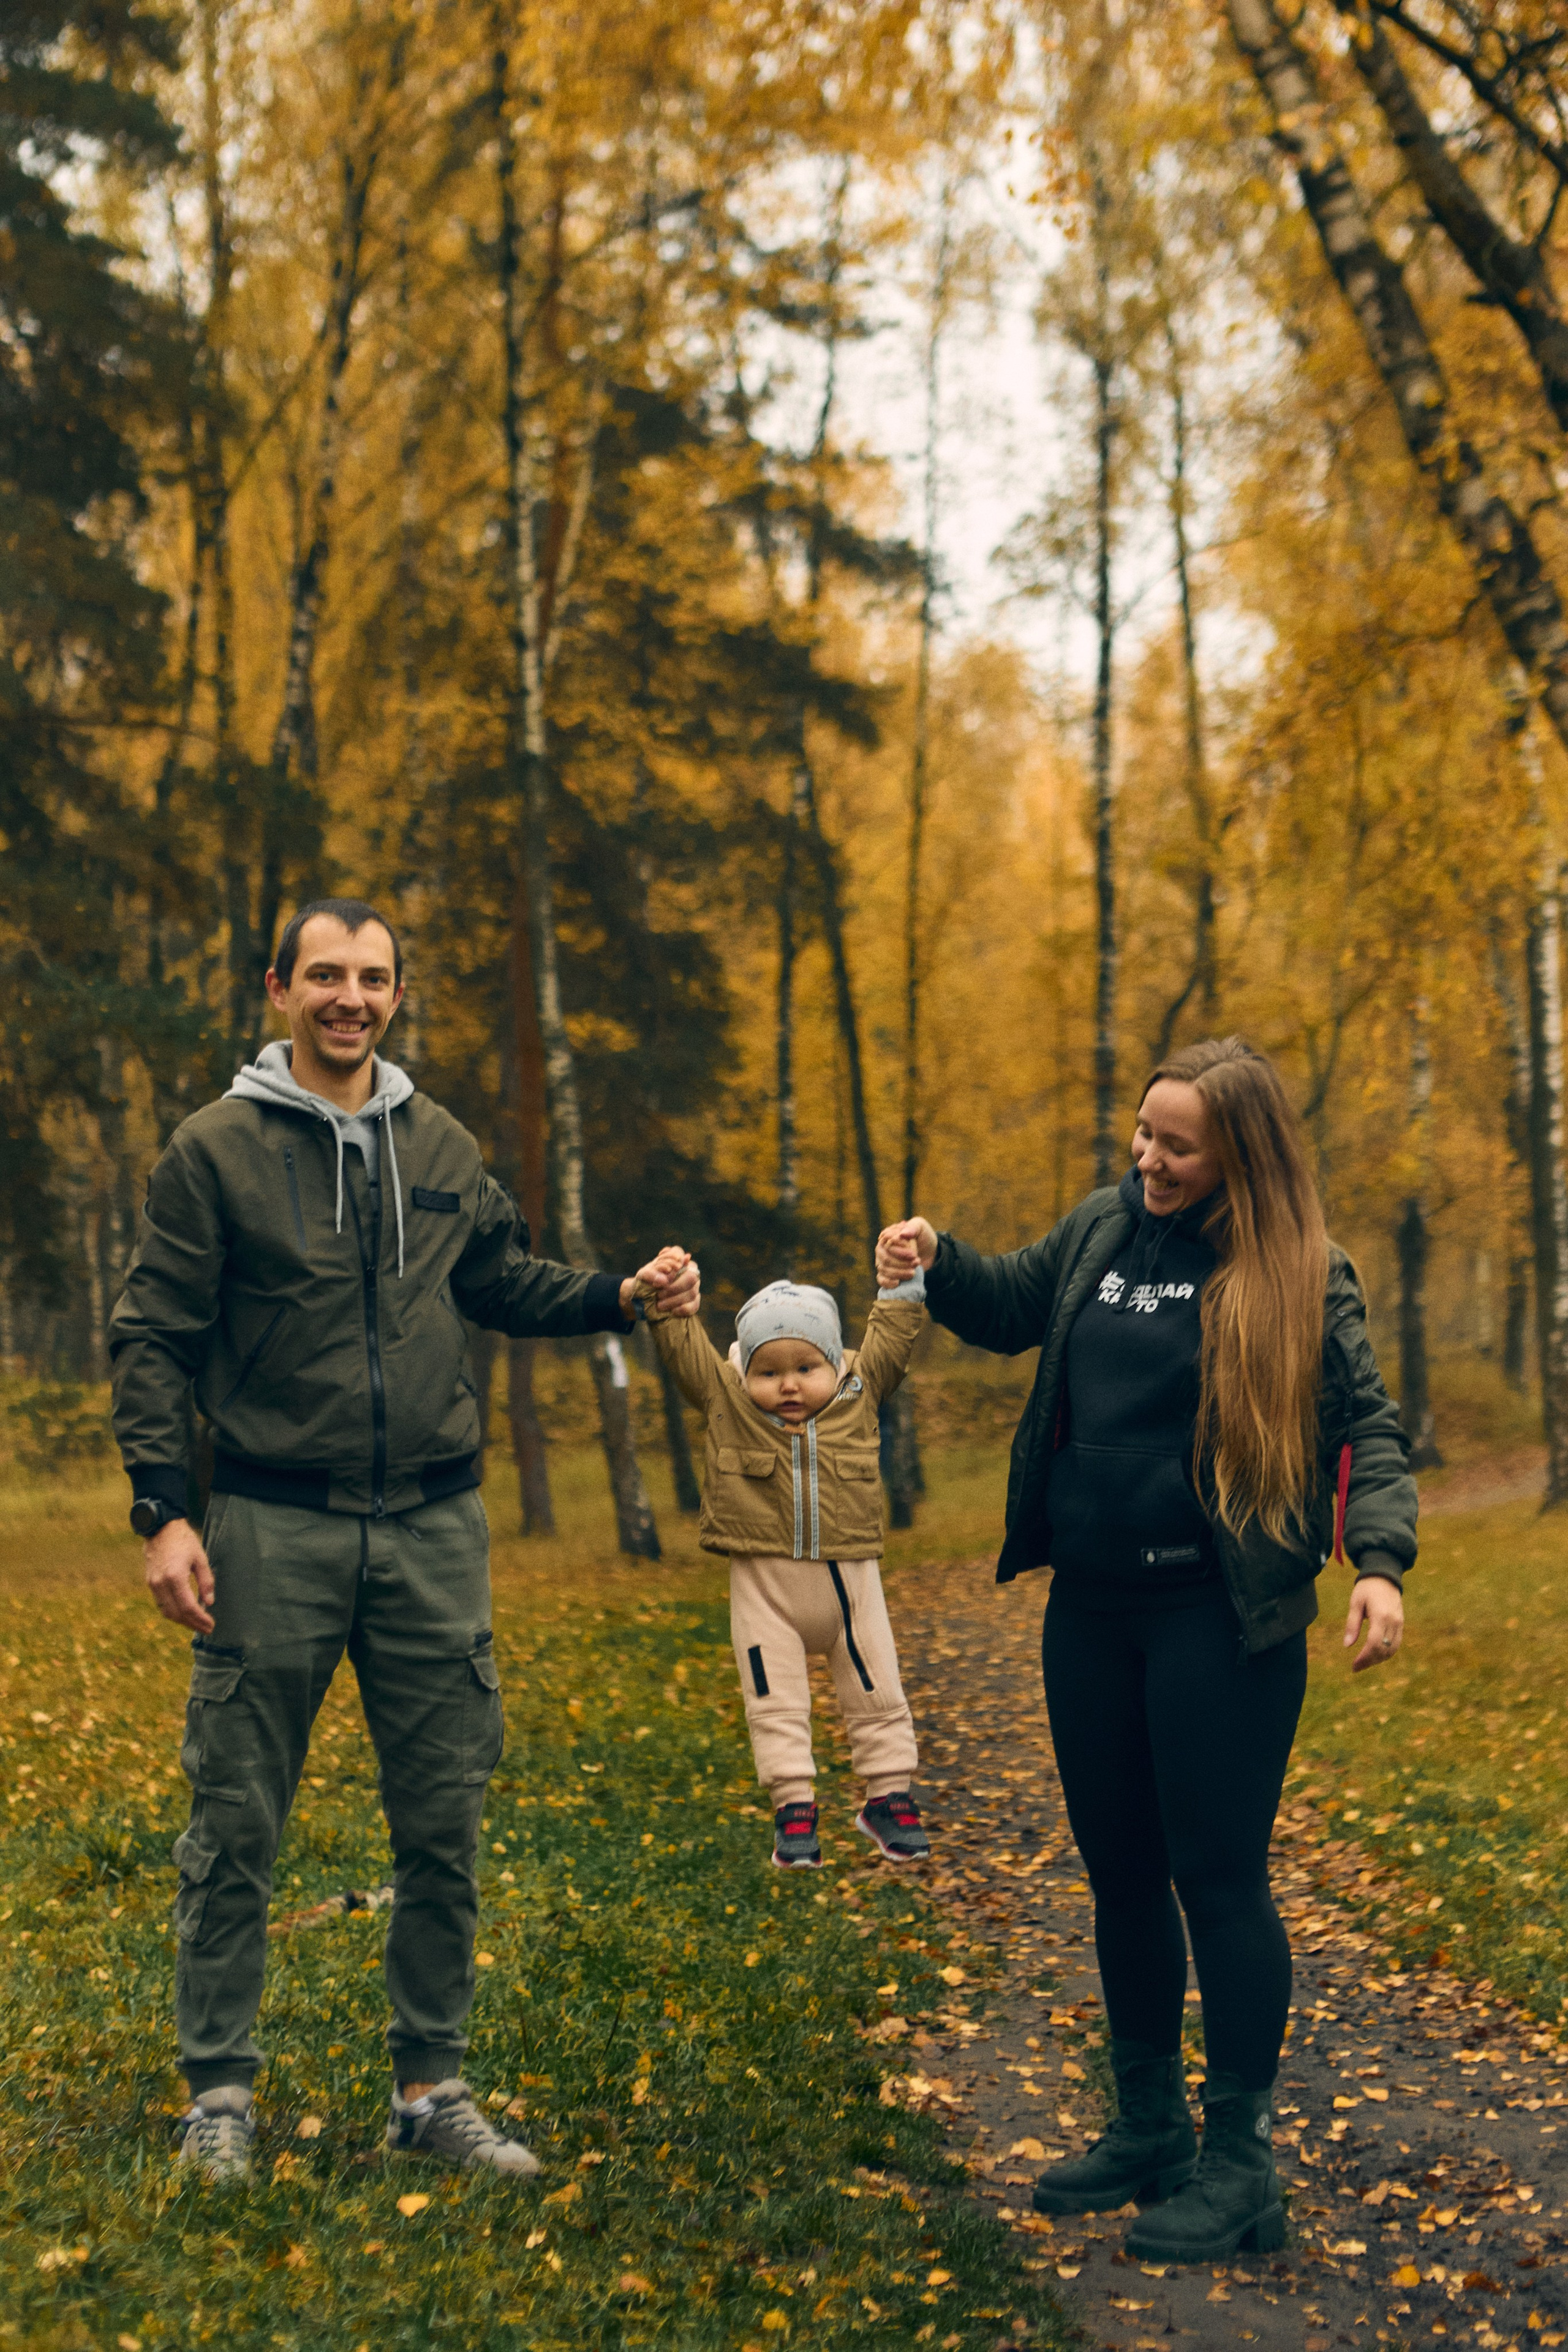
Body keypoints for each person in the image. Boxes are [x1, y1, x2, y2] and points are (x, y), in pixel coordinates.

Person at [108, 897, 698, 2184]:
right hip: (272, 1522)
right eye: (326, 975)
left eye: (373, 978)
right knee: (235, 1821)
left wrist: (619, 1294)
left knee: (444, 1821)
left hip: (433, 1526)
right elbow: (153, 1335)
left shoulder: (439, 1141)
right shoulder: (213, 1149)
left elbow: (497, 1280)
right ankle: (219, 2098)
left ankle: (431, 2092)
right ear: (279, 989)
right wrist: (164, 1510)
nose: (351, 999)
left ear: (395, 993)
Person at [876, 1036, 1416, 2264]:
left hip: (1215, 1622)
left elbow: (1364, 1427)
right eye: (1142, 1133)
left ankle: (1241, 2167)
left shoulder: (1298, 1269)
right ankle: (1149, 2128)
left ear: (1240, 1154)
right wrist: (936, 1259)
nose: (1148, 1159)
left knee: (1216, 1880)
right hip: (1091, 1610)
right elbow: (1010, 1306)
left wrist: (1378, 1563)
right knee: (1119, 1875)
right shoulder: (1101, 1228)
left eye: (1177, 1146)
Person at [642, 1249, 932, 1870]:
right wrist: (667, 1303)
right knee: (773, 1700)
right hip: (765, 1594)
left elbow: (891, 1337)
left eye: (805, 1367)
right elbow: (687, 1353)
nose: (789, 1385)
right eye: (769, 1372)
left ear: (834, 1364)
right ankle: (793, 1806)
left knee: (878, 1690)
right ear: (744, 1371)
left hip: (851, 1592)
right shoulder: (727, 1401)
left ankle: (889, 1795)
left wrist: (903, 1285)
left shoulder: (860, 1391)